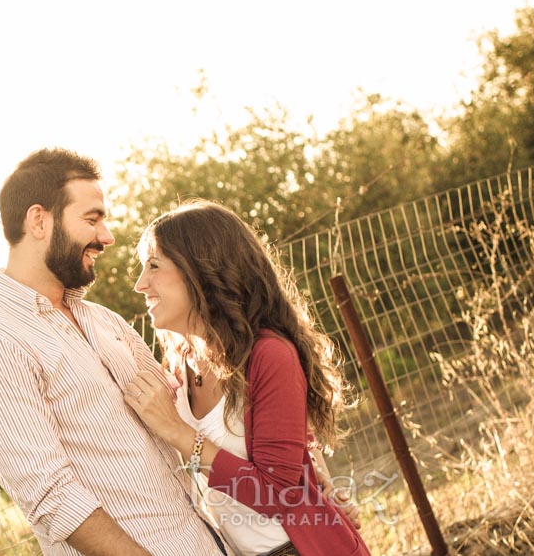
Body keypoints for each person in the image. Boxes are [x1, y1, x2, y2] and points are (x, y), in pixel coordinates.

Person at [0, 149, 228, 556]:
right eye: (92, 219)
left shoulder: (103, 320)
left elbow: (180, 417)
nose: (107, 236)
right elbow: (51, 497)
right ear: (38, 220)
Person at [124, 200, 371, 556]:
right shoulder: (180, 361)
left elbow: (278, 492)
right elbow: (283, 434)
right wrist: (315, 470)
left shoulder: (269, 355)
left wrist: (179, 434)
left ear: (202, 270)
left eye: (154, 266)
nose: (140, 284)